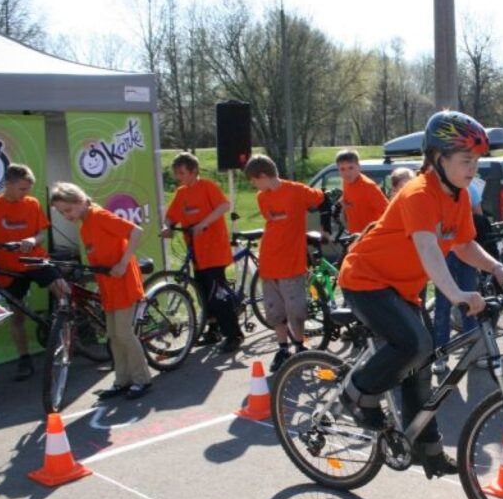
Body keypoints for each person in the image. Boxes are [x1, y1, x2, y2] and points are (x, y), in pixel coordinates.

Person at [337, 110, 503, 478]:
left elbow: (464, 245)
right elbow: (428, 249)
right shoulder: (419, 193)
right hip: (366, 279)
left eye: (477, 160)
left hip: (401, 288)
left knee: (419, 370)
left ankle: (428, 452)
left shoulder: (459, 197)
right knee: (415, 343)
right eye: (466, 160)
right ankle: (357, 393)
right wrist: (457, 293)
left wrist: (497, 268)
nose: (473, 168)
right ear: (438, 158)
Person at [0, 164, 68, 381]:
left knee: (62, 290)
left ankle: (69, 331)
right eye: (22, 189)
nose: (26, 194)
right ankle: (24, 359)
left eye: (28, 189)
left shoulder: (32, 203)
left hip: (35, 260)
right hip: (8, 269)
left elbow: (41, 235)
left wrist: (31, 240)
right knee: (16, 316)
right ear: (7, 184)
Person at [49, 182, 153, 400]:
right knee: (113, 335)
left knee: (124, 333)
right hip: (108, 285)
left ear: (79, 201)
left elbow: (136, 231)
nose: (65, 215)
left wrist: (124, 263)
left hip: (123, 282)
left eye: (67, 210)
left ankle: (142, 378)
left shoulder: (100, 216)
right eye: (61, 212)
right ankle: (122, 380)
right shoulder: (84, 224)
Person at [244, 155, 331, 373]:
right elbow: (273, 223)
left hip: (291, 264)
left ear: (263, 176)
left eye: (253, 181)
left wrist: (324, 229)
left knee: (296, 311)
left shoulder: (297, 191)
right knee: (275, 312)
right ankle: (283, 349)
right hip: (269, 262)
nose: (254, 186)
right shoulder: (262, 197)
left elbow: (323, 200)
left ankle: (300, 347)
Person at [161, 152, 243, 353]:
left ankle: (234, 334)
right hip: (196, 251)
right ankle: (213, 330)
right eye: (177, 173)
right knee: (203, 293)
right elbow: (172, 215)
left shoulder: (207, 186)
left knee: (218, 295)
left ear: (194, 171)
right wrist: (168, 226)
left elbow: (224, 205)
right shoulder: (181, 193)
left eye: (182, 173)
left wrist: (204, 223)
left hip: (214, 250)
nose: (179, 177)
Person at [432, 178, 485, 374]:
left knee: (470, 302)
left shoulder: (468, 188)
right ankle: (441, 355)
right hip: (443, 255)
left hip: (464, 254)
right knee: (443, 304)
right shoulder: (435, 190)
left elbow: (478, 217)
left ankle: (473, 351)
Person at [336, 149, 388, 235]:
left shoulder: (369, 186)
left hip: (370, 237)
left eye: (351, 168)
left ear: (359, 167)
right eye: (342, 169)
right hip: (354, 236)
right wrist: (342, 202)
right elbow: (352, 197)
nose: (347, 173)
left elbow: (388, 211)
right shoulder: (346, 182)